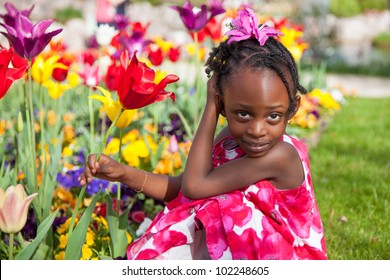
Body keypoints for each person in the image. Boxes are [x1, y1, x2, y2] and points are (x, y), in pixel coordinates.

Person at [79, 7, 327, 260]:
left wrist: (210, 106)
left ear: (293, 108)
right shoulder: (229, 137)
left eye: (273, 116)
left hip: (286, 259)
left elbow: (195, 187)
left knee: (222, 207)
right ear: (225, 105)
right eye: (243, 114)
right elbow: (182, 188)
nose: (256, 130)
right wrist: (122, 173)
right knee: (215, 207)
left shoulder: (280, 155)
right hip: (247, 255)